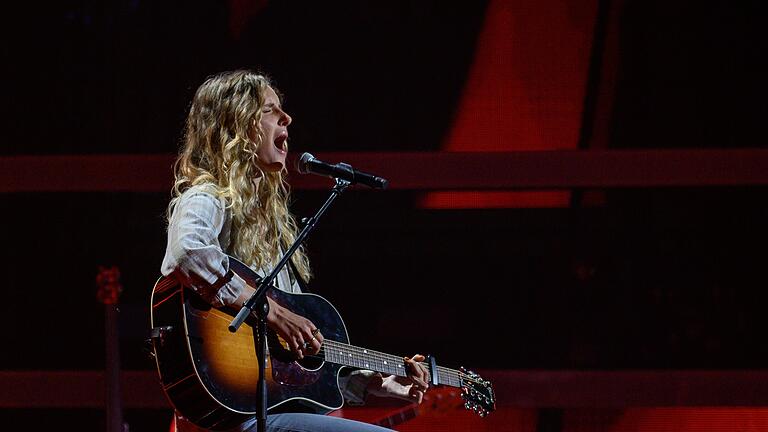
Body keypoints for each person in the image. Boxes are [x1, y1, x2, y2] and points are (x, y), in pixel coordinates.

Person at [161, 69, 430, 432]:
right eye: (270, 110)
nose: (287, 118)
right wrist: (270, 311)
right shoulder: (207, 197)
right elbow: (187, 252)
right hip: (233, 416)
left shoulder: (268, 227)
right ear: (236, 125)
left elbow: (301, 367)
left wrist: (378, 383)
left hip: (267, 409)